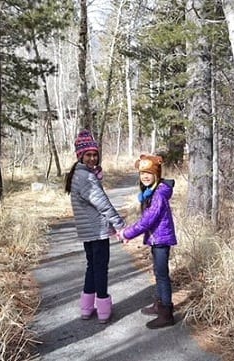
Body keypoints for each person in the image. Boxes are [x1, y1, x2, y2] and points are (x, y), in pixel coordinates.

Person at [64, 129, 125, 324]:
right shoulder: (86, 178)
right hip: (96, 231)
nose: (92, 158)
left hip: (87, 231)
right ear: (80, 156)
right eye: (88, 155)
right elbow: (103, 204)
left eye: (94, 155)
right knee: (100, 269)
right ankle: (103, 310)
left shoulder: (80, 174)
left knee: (92, 267)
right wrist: (120, 225)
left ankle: (87, 308)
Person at [119, 154, 177, 329]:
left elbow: (147, 221)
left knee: (162, 275)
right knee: (158, 273)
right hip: (156, 239)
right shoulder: (151, 192)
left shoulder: (158, 194)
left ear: (156, 174)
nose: (145, 176)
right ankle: (159, 305)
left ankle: (166, 314)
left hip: (161, 240)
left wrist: (127, 233)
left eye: (149, 173)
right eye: (142, 172)